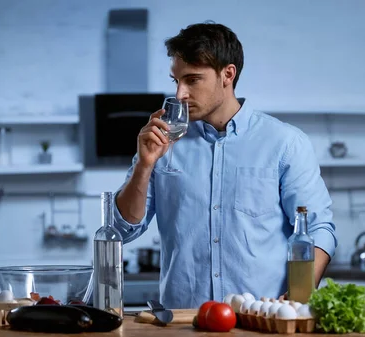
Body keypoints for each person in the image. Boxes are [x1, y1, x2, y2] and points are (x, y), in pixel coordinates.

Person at [112, 21, 337, 309]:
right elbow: (123, 230)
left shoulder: (285, 143)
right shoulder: (163, 143)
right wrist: (144, 166)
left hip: (260, 320)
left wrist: (300, 293)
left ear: (227, 75)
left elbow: (318, 228)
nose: (180, 94)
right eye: (176, 81)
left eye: (192, 80)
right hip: (183, 322)